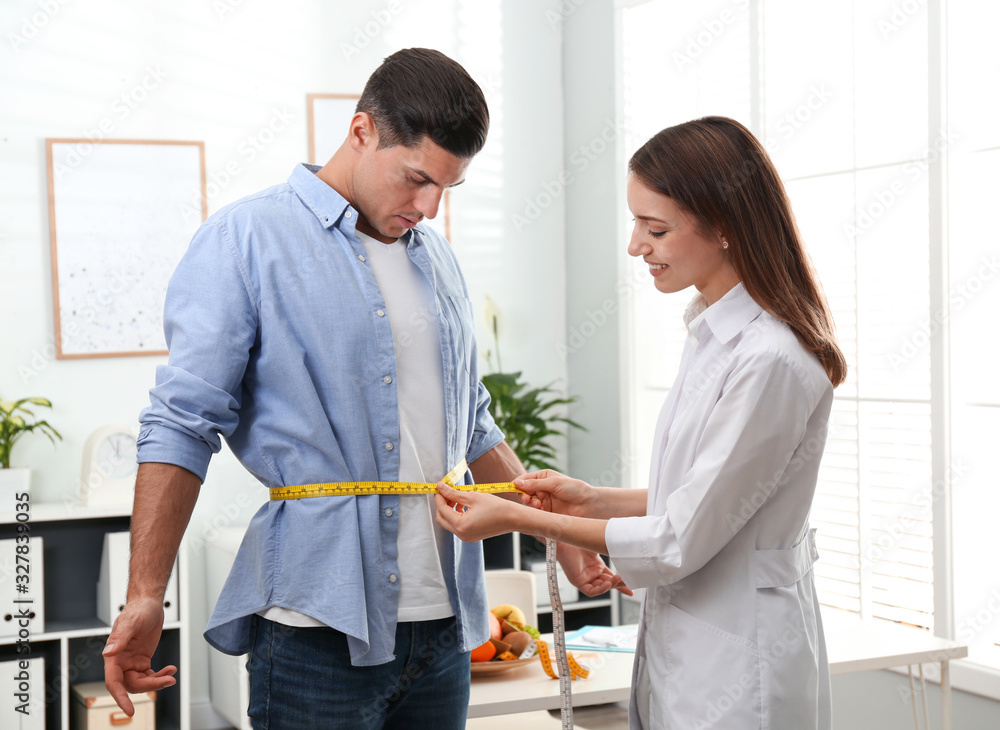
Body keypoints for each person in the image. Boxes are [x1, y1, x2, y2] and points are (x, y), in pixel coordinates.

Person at [102, 48, 624, 729]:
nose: (429, 207)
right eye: (416, 179)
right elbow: (181, 423)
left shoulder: (436, 260)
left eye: (446, 188)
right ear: (361, 132)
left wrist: (557, 532)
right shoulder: (246, 239)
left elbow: (474, 426)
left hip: (443, 629)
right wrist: (146, 593)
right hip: (317, 625)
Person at [436, 116, 847, 729]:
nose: (635, 245)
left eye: (655, 228)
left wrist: (521, 519)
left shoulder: (770, 361)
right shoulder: (711, 333)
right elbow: (719, 497)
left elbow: (682, 534)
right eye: (636, 223)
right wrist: (593, 500)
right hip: (693, 643)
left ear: (727, 227)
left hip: (739, 665)